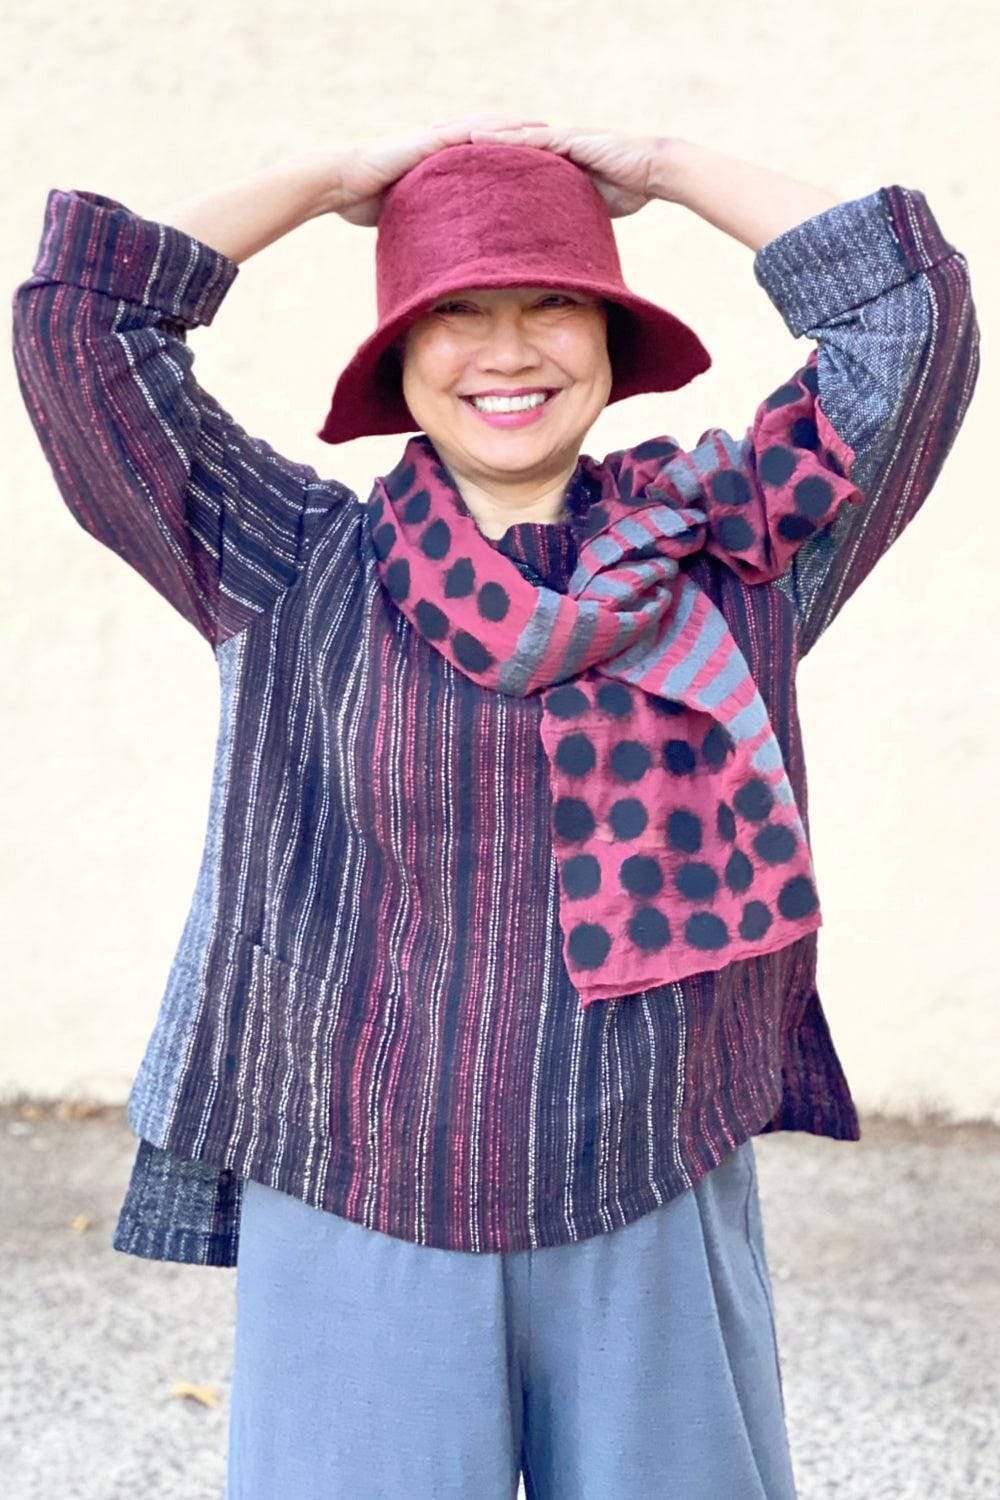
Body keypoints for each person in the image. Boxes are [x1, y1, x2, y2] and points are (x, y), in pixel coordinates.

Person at [12, 114, 979, 1499]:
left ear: (609, 340)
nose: (510, 350)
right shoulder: (286, 559)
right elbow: (77, 328)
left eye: (554, 305)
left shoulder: (730, 548)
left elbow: (913, 318)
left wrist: (662, 164)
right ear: (399, 358)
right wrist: (324, 175)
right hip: (360, 1172)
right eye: (455, 310)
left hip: (644, 1164)